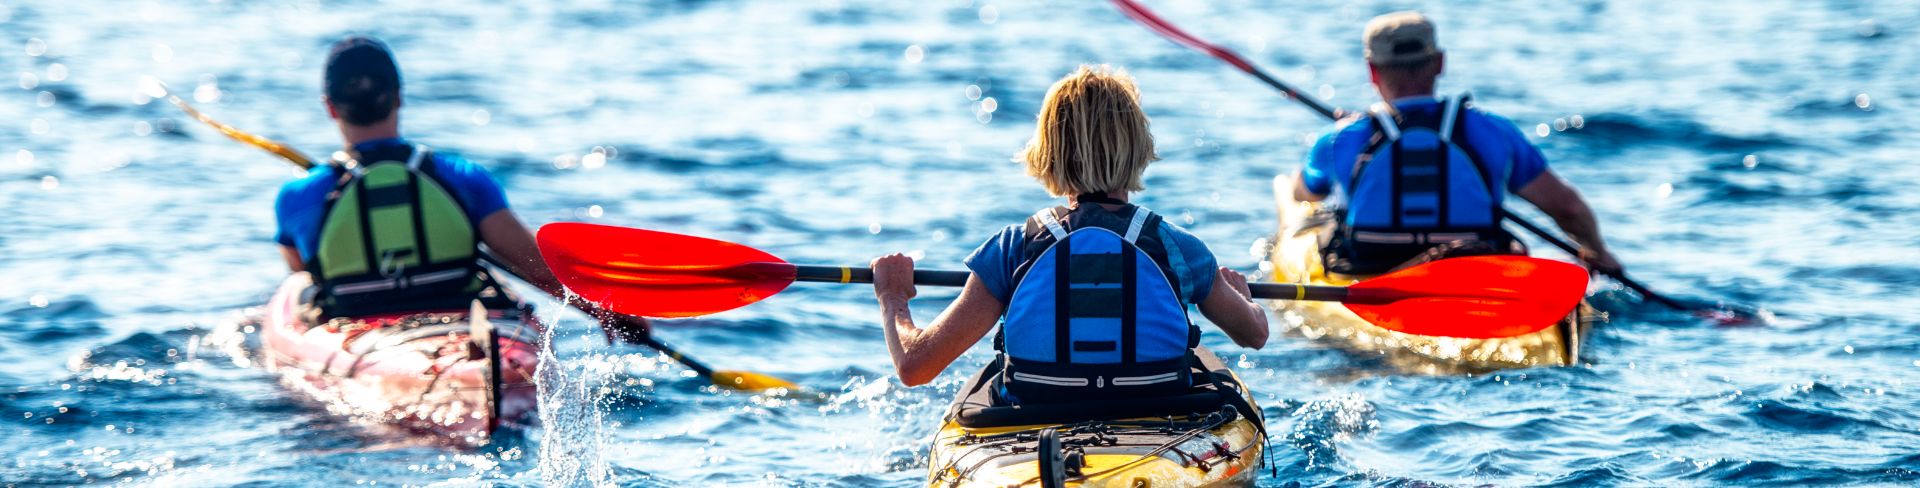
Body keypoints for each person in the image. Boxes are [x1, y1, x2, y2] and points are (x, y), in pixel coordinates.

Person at [870, 66, 1268, 404]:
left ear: (1048, 152)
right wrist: (1243, 300)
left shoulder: (1012, 249)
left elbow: (915, 366)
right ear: (1139, 148)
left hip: (1038, 415)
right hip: (1157, 411)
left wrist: (893, 297)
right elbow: (1254, 334)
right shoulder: (1178, 247)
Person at [273, 36, 648, 339]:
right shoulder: (461, 177)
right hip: (463, 325)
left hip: (359, 330)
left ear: (331, 107)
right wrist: (606, 310)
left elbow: (304, 271)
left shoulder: (299, 196)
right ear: (399, 97)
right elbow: (537, 268)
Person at [1291, 12, 1622, 276]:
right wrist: (1597, 252)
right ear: (1439, 63)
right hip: (1474, 271)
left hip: (1373, 270)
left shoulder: (1339, 139)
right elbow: (1568, 209)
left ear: (1373, 72)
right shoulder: (1494, 130)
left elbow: (1304, 195)